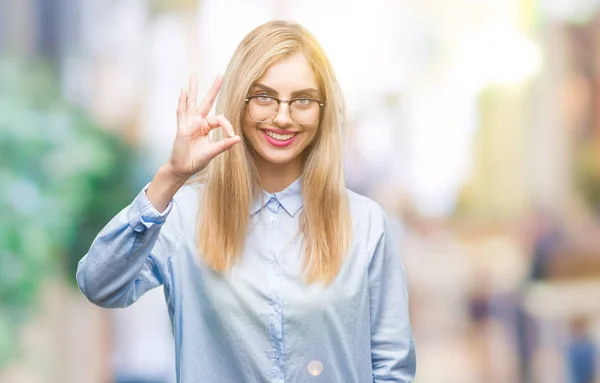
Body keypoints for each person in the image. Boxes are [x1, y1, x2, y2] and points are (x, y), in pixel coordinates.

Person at [76, 20, 416, 382]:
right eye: (265, 97)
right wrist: (171, 178)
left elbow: (392, 366)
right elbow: (99, 285)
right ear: (239, 101)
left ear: (322, 110)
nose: (282, 117)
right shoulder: (185, 215)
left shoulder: (365, 224)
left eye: (302, 100)